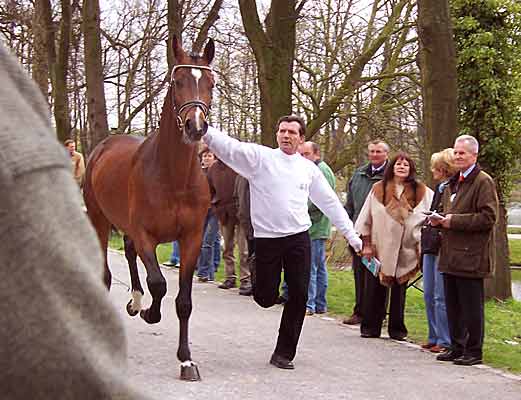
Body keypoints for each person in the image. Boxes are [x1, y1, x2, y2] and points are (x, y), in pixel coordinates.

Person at [0, 42, 152, 400]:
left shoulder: (79, 158)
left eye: (70, 147)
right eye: (66, 146)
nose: (69, 148)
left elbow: (78, 175)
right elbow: (70, 366)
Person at [203, 115, 362, 370]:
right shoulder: (260, 158)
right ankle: (258, 273)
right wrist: (204, 129)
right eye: (282, 131)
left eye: (292, 132)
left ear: (301, 139)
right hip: (267, 240)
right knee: (265, 297)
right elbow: (230, 147)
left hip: (299, 238)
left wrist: (352, 237)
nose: (286, 136)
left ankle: (284, 353)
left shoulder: (308, 169)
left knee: (299, 294)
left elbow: (330, 203)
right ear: (277, 135)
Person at [432, 135, 498, 366]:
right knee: (453, 304)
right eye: (456, 152)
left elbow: (488, 217)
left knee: (471, 306)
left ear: (474, 155)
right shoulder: (454, 181)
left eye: (463, 153)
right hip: (450, 253)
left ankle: (473, 350)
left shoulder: (483, 181)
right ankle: (456, 346)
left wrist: (452, 221)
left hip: (471, 255)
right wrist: (437, 220)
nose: (458, 156)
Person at [355, 152, 432, 340]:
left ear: (411, 168)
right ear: (392, 166)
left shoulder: (422, 191)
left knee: (399, 292)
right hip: (380, 247)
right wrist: (365, 244)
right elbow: (366, 217)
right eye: (399, 163)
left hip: (407, 249)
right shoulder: (378, 189)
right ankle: (371, 326)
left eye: (406, 164)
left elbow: (430, 216)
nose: (402, 167)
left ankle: (397, 329)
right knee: (374, 289)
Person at [343, 140, 389, 325]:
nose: (375, 155)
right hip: (358, 233)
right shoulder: (359, 174)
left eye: (379, 152)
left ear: (386, 154)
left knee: (377, 275)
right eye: (372, 151)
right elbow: (350, 205)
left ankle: (378, 314)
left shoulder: (390, 177)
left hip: (381, 234)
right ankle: (359, 310)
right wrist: (347, 228)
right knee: (360, 274)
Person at [420, 149, 456, 353]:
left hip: (443, 244)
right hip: (430, 243)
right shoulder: (439, 188)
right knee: (429, 292)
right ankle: (433, 335)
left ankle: (445, 339)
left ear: (443, 168)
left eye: (436, 167)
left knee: (440, 295)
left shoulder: (451, 188)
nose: (433, 170)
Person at [299, 141, 335, 315]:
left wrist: (298, 208)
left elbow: (320, 200)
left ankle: (310, 304)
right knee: (319, 266)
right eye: (301, 154)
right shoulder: (310, 169)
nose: (303, 158)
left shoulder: (322, 171)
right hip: (313, 226)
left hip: (316, 226)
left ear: (316, 154)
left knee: (311, 266)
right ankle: (320, 304)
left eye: (306, 154)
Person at [207, 157, 251, 294]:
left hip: (241, 212)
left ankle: (246, 279)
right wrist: (215, 205)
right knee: (227, 248)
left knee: (244, 250)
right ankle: (230, 276)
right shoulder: (213, 169)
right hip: (223, 212)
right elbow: (210, 190)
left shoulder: (238, 165)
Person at [195, 146, 220, 282]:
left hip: (214, 210)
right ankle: (208, 272)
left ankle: (204, 272)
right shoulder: (198, 173)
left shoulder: (217, 172)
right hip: (201, 211)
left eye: (209, 156)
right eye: (205, 156)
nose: (206, 158)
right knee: (205, 242)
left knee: (207, 242)